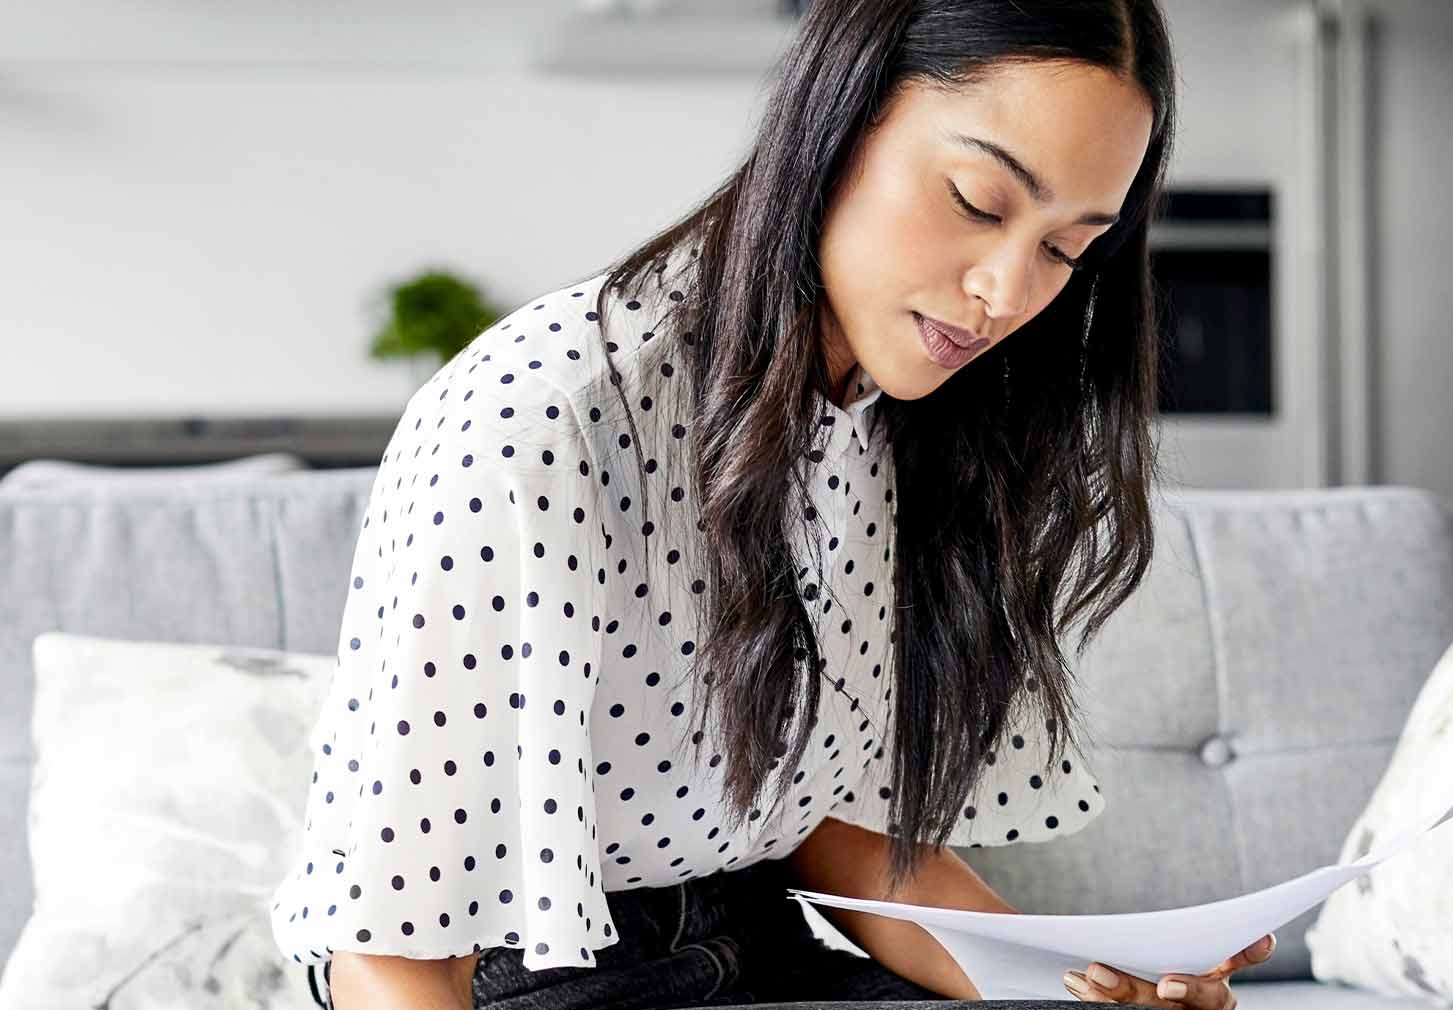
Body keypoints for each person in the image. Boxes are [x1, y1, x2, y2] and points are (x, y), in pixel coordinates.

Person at [264, 1, 1275, 1006]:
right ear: (837, 125)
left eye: (1067, 251)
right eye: (978, 199)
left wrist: (1082, 987)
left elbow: (841, 832)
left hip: (756, 940)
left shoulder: (910, 422)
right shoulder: (545, 413)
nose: (1007, 291)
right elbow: (391, 953)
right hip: (527, 971)